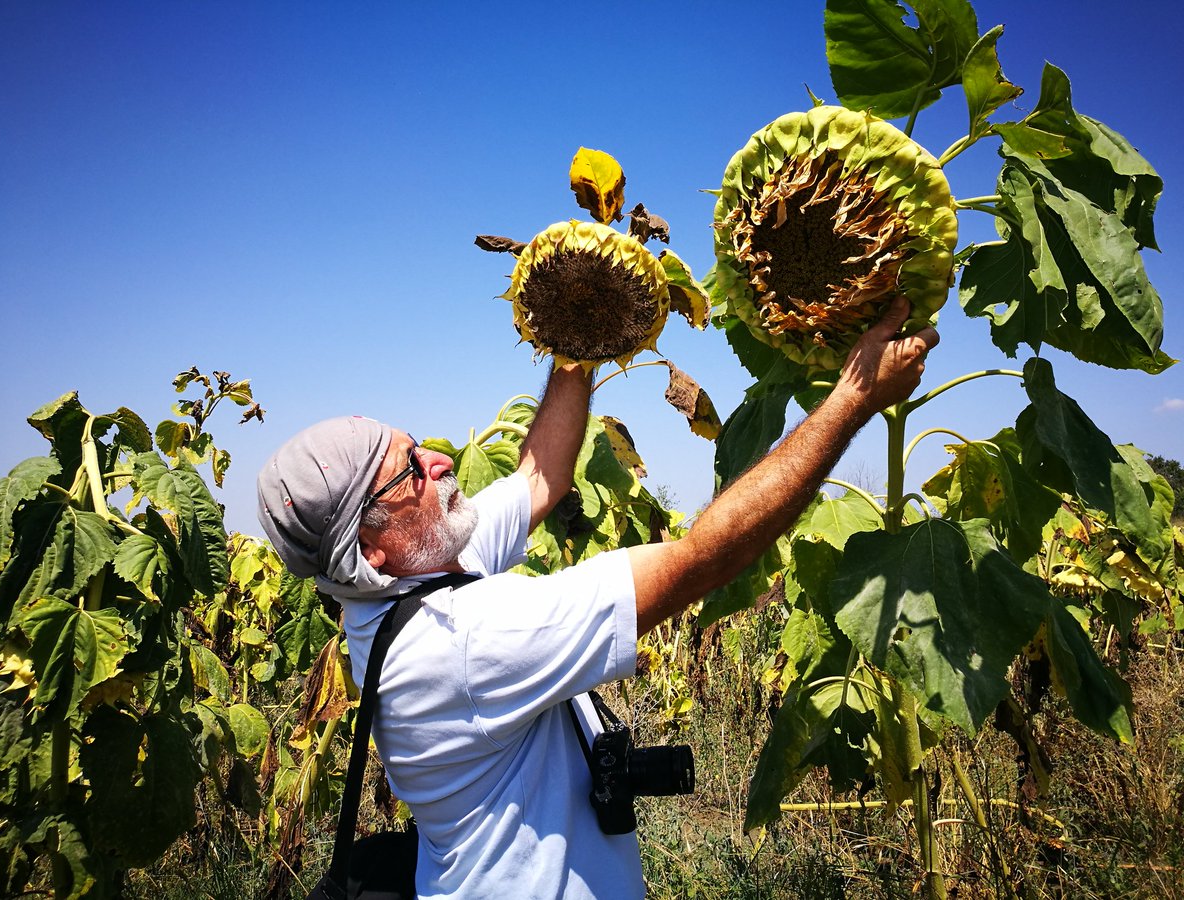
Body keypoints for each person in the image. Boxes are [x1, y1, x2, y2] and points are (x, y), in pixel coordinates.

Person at [256, 296, 937, 899]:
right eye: (407, 471)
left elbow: (541, 475)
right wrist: (854, 397)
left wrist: (576, 325)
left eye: (415, 447)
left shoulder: (406, 583)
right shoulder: (460, 643)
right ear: (370, 548)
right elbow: (700, 561)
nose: (436, 462)